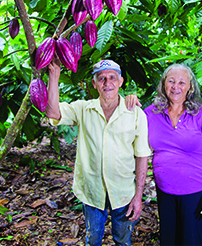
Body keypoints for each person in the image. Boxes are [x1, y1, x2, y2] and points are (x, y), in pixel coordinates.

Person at [46, 58, 152, 246]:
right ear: (94, 84)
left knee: (122, 240)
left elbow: (142, 156)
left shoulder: (135, 113)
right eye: (101, 78)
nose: (107, 83)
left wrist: (138, 196)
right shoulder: (83, 109)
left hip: (124, 193)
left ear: (120, 82)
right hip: (92, 192)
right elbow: (53, 113)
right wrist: (54, 75)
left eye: (112, 78)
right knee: (93, 239)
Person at [126, 63, 202, 246]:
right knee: (169, 241)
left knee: (191, 242)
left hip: (195, 192)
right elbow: (128, 122)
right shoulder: (151, 113)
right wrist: (129, 101)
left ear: (190, 87)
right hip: (164, 191)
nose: (175, 87)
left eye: (181, 82)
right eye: (171, 81)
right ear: (164, 85)